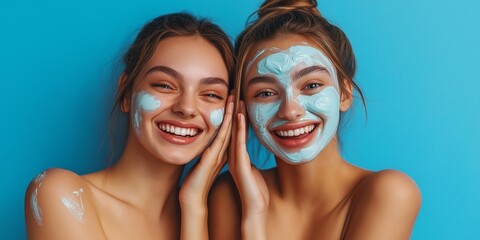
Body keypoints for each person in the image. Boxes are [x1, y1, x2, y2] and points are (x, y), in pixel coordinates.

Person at [209, 1, 421, 239]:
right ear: (243, 107)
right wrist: (252, 212)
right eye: (266, 93)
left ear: (344, 93)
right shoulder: (231, 193)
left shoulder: (388, 192)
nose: (290, 110)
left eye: (311, 85)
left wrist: (255, 224)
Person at [25, 12, 234, 240]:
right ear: (126, 93)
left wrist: (194, 206)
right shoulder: (61, 194)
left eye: (212, 94)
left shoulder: (218, 219)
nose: (186, 108)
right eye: (165, 85)